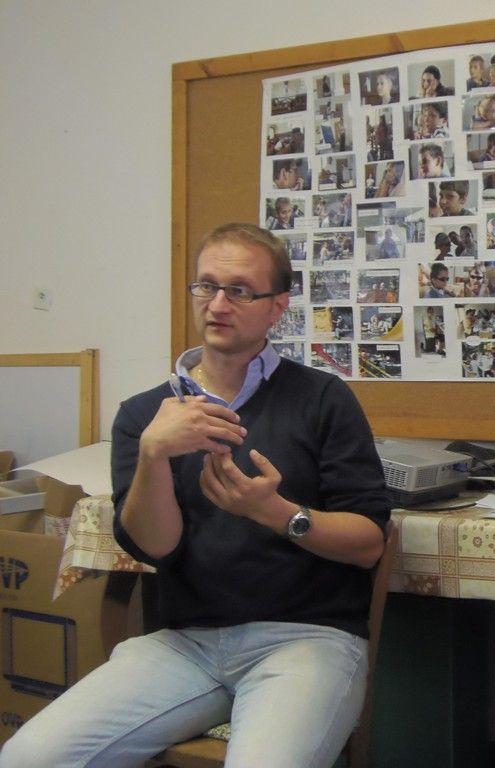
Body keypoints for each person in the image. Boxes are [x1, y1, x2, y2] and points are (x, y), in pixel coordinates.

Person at [0, 224, 390, 768]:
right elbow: (154, 546)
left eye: (240, 290)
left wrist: (275, 513)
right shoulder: (146, 414)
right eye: (206, 286)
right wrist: (153, 455)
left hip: (306, 639)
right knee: (28, 758)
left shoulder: (323, 398)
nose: (218, 304)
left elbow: (369, 544)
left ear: (277, 306)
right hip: (186, 644)